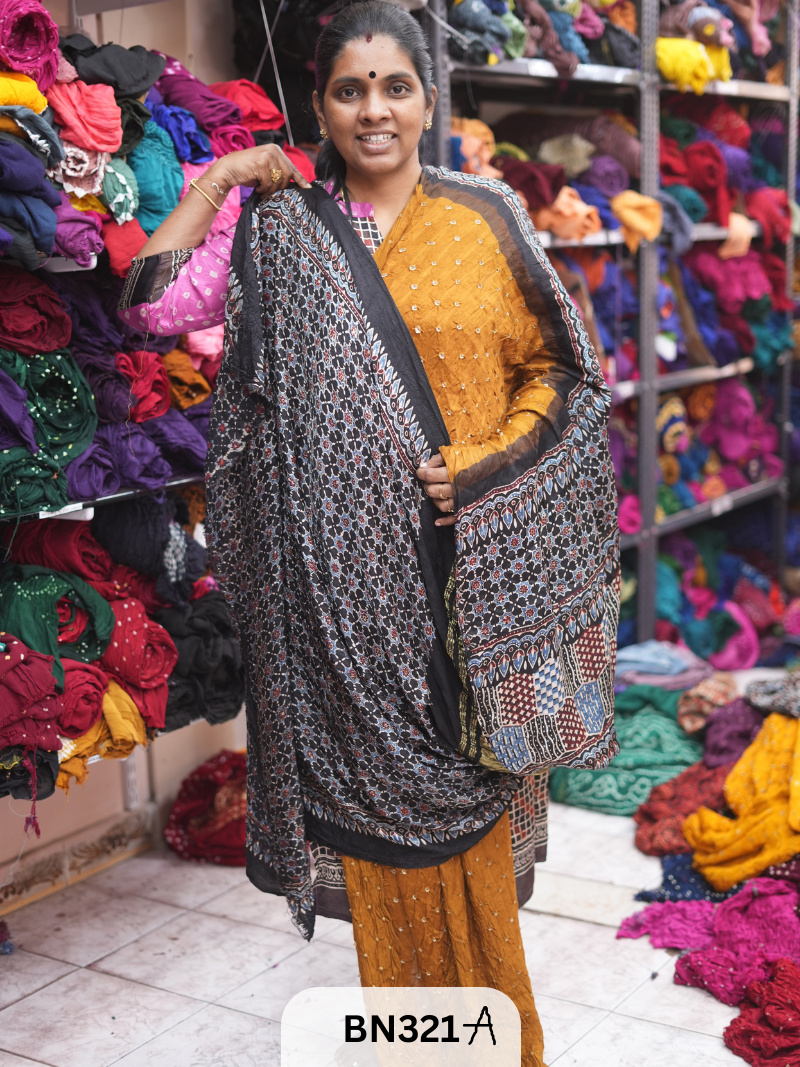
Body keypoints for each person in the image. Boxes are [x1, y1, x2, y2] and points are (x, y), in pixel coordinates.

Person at [120, 5, 620, 1064]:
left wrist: (490, 467)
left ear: (427, 98)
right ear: (319, 105)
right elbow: (152, 305)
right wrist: (219, 180)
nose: (373, 110)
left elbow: (564, 368)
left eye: (394, 86)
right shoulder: (282, 225)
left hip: (472, 585)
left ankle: (500, 1045)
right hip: (336, 605)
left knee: (469, 825)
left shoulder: (486, 215)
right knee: (387, 858)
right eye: (350, 90)